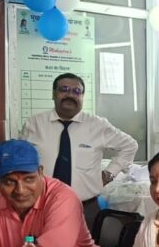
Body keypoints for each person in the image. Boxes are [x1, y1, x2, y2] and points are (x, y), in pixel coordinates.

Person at [20, 73, 138, 229]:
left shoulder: (97, 125)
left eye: (76, 91)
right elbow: (20, 160)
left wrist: (110, 173)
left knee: (86, 245)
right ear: (53, 94)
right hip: (41, 206)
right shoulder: (34, 124)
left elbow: (130, 145)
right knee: (39, 244)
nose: (70, 95)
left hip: (85, 208)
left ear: (82, 96)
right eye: (64, 89)